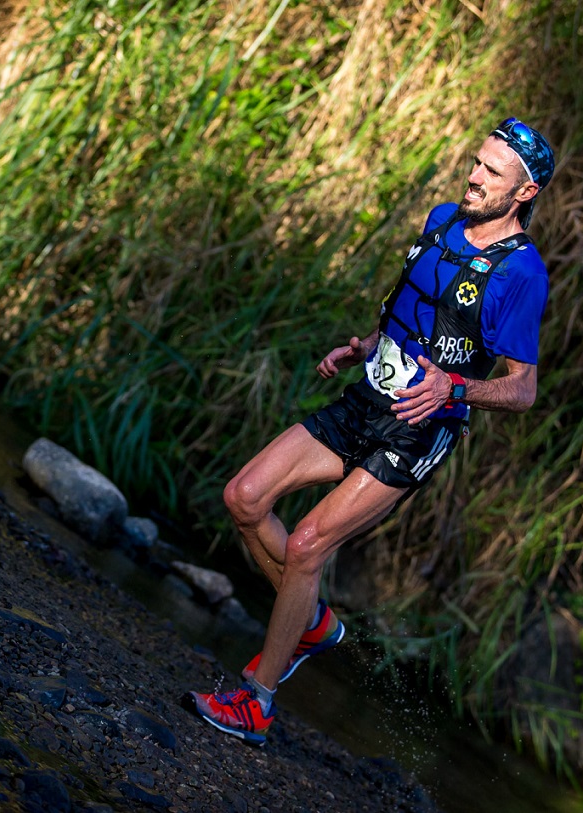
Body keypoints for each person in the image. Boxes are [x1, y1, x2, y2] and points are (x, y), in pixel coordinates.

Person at [187, 118, 556, 746]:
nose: (474, 177)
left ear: (523, 194)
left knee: (306, 546)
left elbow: (523, 388)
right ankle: (310, 621)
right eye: (476, 162)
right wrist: (365, 347)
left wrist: (456, 388)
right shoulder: (443, 218)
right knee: (244, 496)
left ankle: (257, 701)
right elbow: (418, 313)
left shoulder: (522, 273)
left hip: (418, 428)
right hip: (366, 396)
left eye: (492, 173)